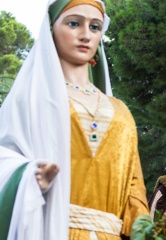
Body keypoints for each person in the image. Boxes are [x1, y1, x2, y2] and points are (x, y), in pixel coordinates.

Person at [0, 0, 149, 239]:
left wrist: (147, 229)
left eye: (95, 27)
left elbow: (134, 189)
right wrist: (28, 174)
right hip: (51, 229)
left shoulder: (121, 112)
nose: (85, 35)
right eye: (74, 23)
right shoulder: (30, 100)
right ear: (51, 29)